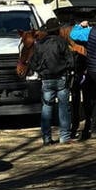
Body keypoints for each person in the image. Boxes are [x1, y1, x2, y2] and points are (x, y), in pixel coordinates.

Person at [28, 18, 75, 146]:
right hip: (61, 78)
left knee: (46, 108)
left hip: (46, 79)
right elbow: (71, 61)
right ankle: (64, 137)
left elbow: (32, 63)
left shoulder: (40, 44)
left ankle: (46, 138)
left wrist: (41, 70)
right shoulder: (62, 42)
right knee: (64, 108)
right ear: (57, 29)